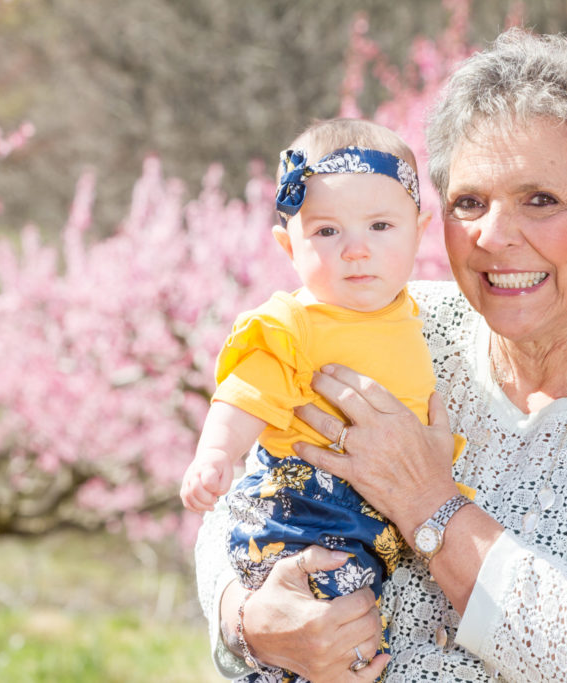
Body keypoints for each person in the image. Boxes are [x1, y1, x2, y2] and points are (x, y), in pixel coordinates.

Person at [195, 28, 567, 682]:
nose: (493, 237)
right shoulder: (396, 325)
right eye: (469, 202)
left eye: (540, 200)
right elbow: (240, 494)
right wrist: (247, 616)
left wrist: (429, 503)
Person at [182, 118, 470, 682]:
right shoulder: (295, 322)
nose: (357, 250)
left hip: (372, 521)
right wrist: (216, 454)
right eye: (327, 232)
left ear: (419, 230)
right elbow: (245, 392)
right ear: (289, 245)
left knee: (357, 626)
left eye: (381, 226)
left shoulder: (410, 309)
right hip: (305, 510)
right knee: (327, 628)